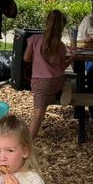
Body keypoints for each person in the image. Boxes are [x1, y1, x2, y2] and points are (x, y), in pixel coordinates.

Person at [24, 10, 70, 141]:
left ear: (46, 23)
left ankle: (28, 142)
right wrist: (73, 58)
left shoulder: (34, 40)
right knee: (67, 80)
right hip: (56, 82)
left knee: (38, 113)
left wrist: (37, 58)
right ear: (62, 27)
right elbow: (62, 67)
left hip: (40, 82)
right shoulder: (61, 46)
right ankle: (64, 91)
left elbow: (26, 58)